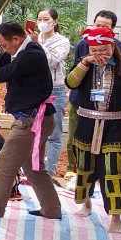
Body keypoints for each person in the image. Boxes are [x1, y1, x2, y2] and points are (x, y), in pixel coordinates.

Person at [0, 22, 63, 220]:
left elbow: (2, 74)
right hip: (36, 118)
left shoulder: (31, 54)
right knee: (33, 168)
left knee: (4, 164)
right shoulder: (20, 51)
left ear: (16, 39)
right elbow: (0, 62)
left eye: (4, 45)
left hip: (31, 120)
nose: (4, 50)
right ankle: (52, 209)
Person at [66, 27, 121, 231]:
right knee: (85, 167)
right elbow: (71, 82)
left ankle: (116, 219)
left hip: (116, 127)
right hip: (86, 124)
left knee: (115, 171)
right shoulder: (84, 65)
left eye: (103, 50)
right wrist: (85, 63)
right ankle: (86, 204)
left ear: (112, 46)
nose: (99, 55)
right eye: (94, 51)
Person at [35, 9, 71, 176]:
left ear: (54, 22)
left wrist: (36, 46)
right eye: (39, 19)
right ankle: (36, 166)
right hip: (34, 89)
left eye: (46, 19)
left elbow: (50, 61)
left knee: (54, 133)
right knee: (33, 130)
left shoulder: (62, 42)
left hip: (55, 89)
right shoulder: (32, 40)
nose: (42, 22)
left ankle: (50, 170)